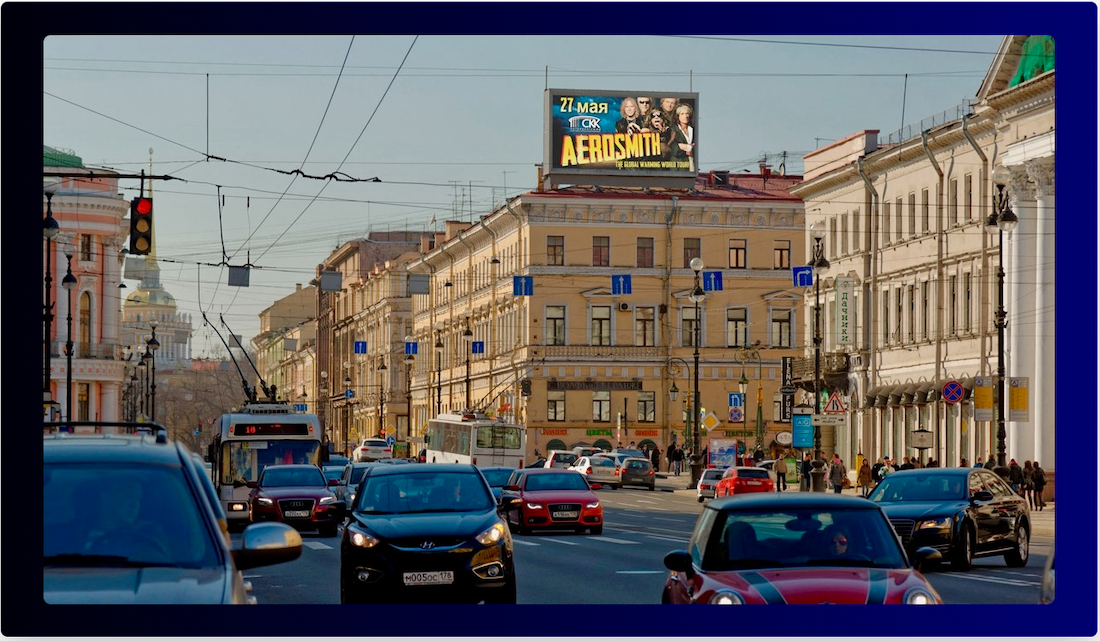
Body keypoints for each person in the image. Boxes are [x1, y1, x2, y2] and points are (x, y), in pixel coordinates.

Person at [669, 103, 695, 171]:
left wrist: (684, 146)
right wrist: (688, 148)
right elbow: (674, 148)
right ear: (678, 116)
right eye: (682, 114)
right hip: (679, 166)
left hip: (692, 162)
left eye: (687, 113)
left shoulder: (693, 129)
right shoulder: (673, 129)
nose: (685, 116)